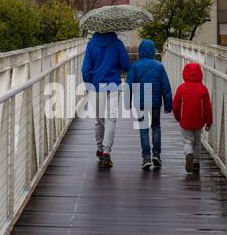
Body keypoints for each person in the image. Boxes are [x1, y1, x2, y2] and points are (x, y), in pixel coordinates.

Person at [82, 32, 131, 168]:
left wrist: (88, 82)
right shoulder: (117, 43)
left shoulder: (91, 44)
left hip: (96, 86)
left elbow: (85, 69)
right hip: (113, 85)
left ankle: (99, 147)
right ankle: (106, 152)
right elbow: (126, 66)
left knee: (99, 120)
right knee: (111, 119)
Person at [126, 39, 172, 170]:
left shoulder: (135, 66)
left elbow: (128, 85)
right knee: (156, 126)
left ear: (140, 51)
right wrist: (168, 104)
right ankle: (156, 154)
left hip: (141, 101)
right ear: (153, 51)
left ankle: (146, 156)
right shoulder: (159, 66)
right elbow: (166, 86)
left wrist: (127, 102)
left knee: (143, 128)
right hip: (156, 101)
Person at [172, 63, 213, 174]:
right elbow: (207, 107)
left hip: (185, 120)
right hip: (199, 121)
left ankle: (189, 153)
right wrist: (208, 121)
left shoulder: (181, 88)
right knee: (197, 141)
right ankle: (196, 162)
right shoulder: (203, 89)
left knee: (187, 141)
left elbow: (175, 105)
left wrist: (177, 117)